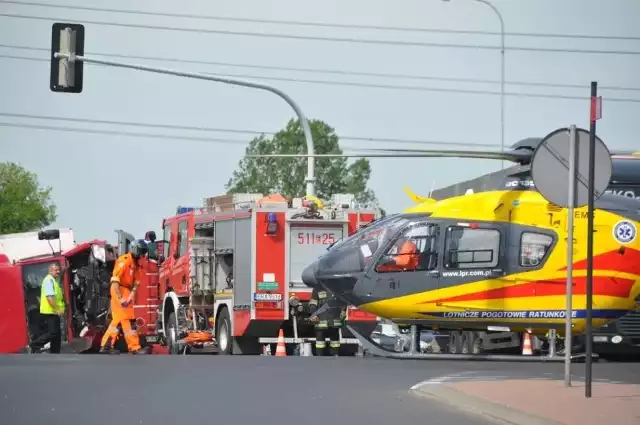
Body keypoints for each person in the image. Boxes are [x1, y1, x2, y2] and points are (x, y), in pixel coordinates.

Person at [99, 239, 148, 354]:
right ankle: (134, 347)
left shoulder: (136, 265)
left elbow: (136, 283)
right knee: (128, 318)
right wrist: (120, 298)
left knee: (117, 320)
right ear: (135, 250)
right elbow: (115, 281)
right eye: (141, 252)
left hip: (126, 290)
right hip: (118, 289)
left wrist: (131, 295)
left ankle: (105, 346)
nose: (142, 255)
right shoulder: (124, 261)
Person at [30, 263, 65, 353]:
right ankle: (34, 345)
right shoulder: (49, 280)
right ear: (50, 271)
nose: (58, 271)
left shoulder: (53, 280)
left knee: (57, 334)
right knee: (53, 332)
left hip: (54, 311)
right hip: (50, 311)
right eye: (55, 270)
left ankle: (55, 352)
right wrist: (57, 309)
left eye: (58, 270)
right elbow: (50, 297)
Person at [308, 287, 346, 356]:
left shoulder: (337, 287)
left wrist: (343, 311)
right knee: (320, 343)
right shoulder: (317, 288)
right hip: (321, 322)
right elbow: (313, 302)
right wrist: (313, 313)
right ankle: (320, 357)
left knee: (335, 342)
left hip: (334, 322)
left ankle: (335, 356)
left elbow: (342, 301)